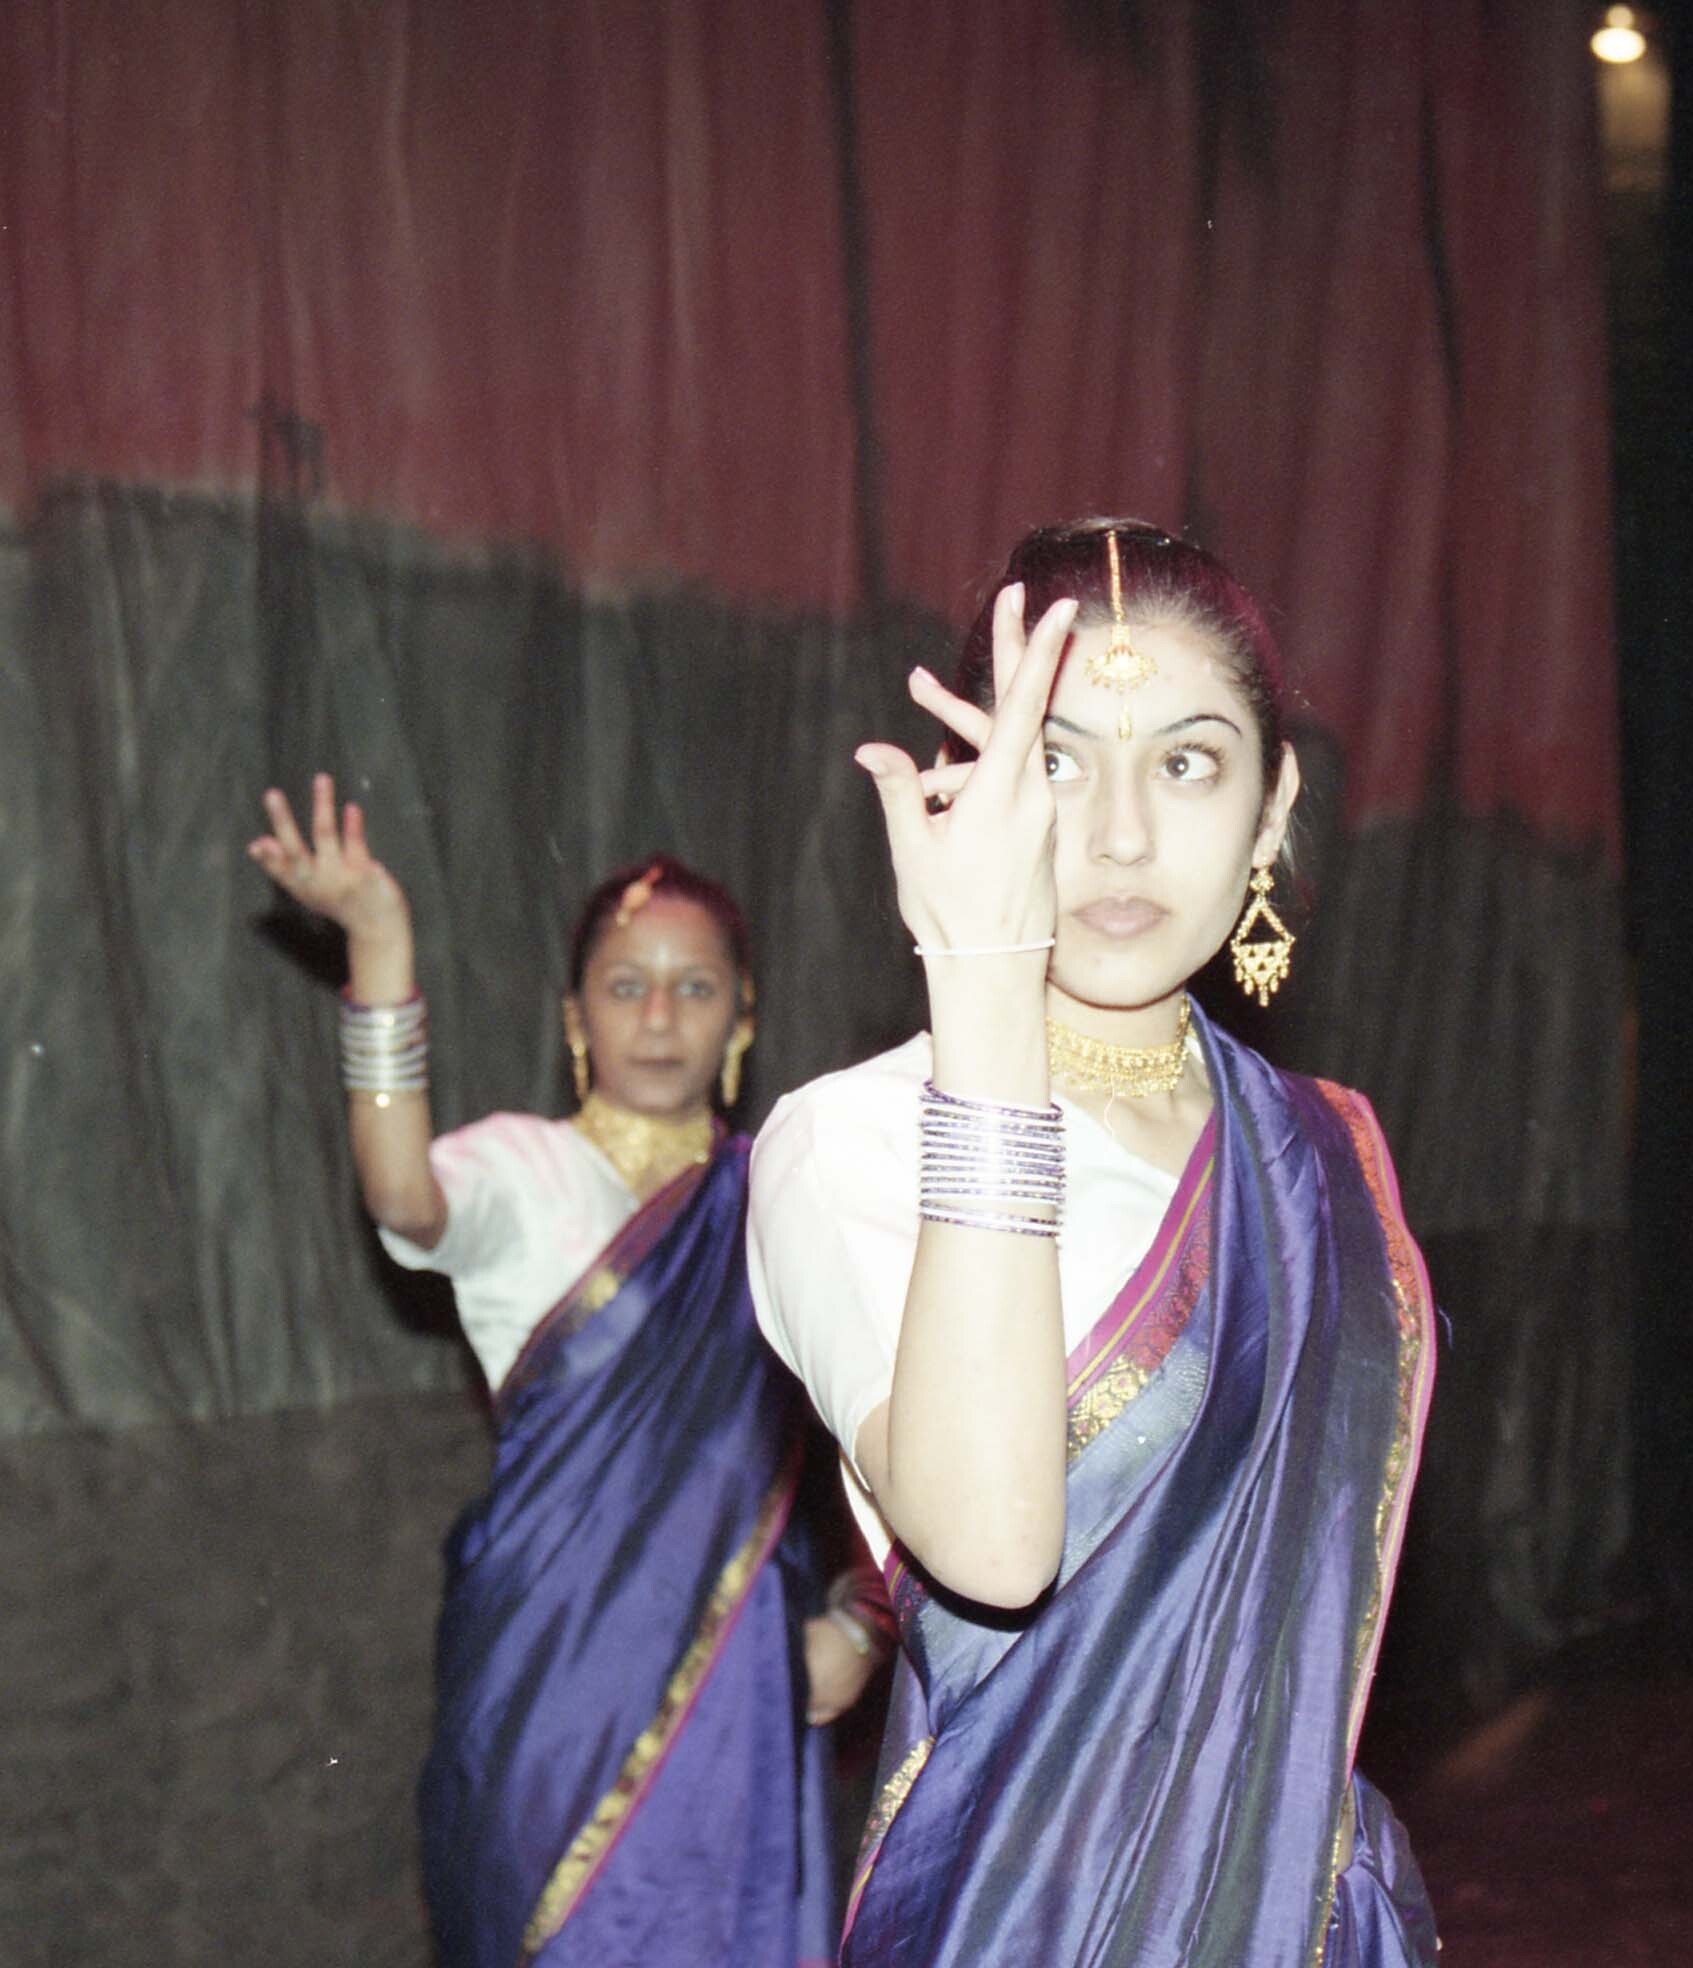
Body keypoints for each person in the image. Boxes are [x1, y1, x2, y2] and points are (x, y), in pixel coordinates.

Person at [747, 521, 1440, 1965]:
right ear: (969, 791)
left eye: (1186, 765)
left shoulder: (1328, 1152)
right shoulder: (847, 1143)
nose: (1121, 837)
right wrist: (983, 988)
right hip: (1020, 1920)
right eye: (1056, 764)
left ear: (1271, 810)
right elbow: (993, 1546)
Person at [247, 786, 883, 1968]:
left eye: (695, 988)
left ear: (742, 1018)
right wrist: (379, 945)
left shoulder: (790, 1198)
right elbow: (402, 1194)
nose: (660, 1018)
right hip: (546, 1677)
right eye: (626, 986)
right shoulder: (519, 1171)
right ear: (575, 1016)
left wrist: (867, 1614)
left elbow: (902, 1424)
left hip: (737, 1685)